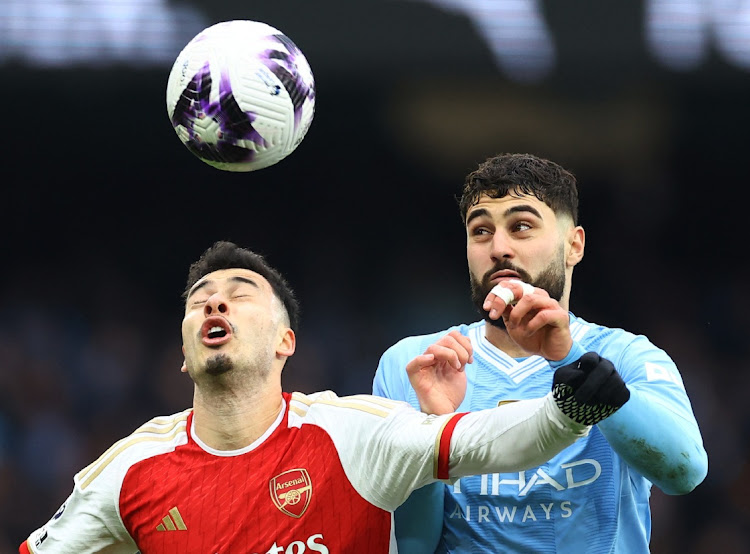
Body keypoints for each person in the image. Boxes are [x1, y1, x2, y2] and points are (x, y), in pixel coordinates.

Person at [20, 240, 630, 554]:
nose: (214, 302)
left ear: (286, 342)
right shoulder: (129, 471)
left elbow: (486, 442)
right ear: (183, 353)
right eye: (199, 297)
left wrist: (567, 409)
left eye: (240, 292)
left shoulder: (351, 435)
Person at [373, 153, 708, 553]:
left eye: (521, 227)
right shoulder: (415, 364)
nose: (499, 248)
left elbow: (683, 472)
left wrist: (571, 360)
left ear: (574, 245)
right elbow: (412, 547)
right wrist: (436, 437)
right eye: (480, 231)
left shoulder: (629, 355)